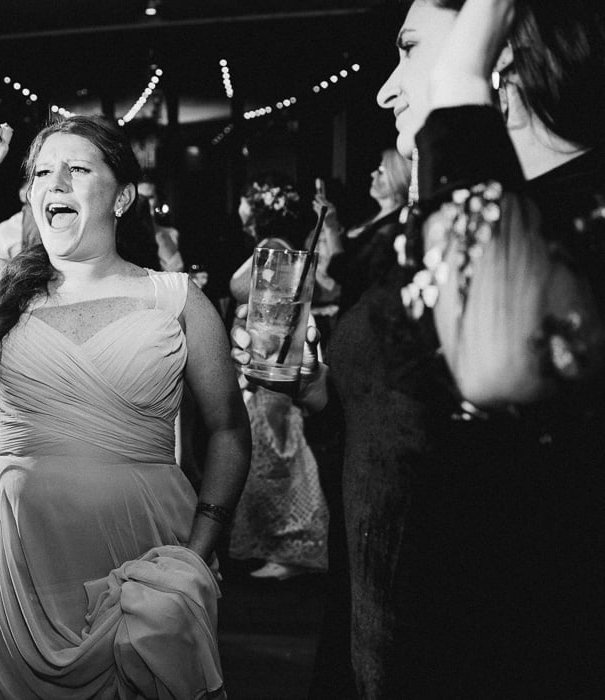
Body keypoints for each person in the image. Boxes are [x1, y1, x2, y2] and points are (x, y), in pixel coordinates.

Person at [239, 0, 605, 695]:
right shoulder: (440, 220)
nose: (385, 90)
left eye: (409, 49)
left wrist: (461, 79)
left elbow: (495, 368)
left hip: (491, 651)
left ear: (498, 49)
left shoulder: (580, 214)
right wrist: (322, 391)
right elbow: (406, 427)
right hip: (381, 633)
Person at [0, 116, 250, 698]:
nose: (54, 182)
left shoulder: (176, 299)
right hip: (23, 568)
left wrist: (198, 551)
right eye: (41, 172)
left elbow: (229, 431)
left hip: (148, 556)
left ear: (122, 198)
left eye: (77, 169)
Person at [227, 190, 329, 581]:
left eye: (245, 203)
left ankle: (290, 547)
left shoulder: (274, 249)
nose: (240, 209)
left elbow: (280, 308)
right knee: (270, 453)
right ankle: (279, 545)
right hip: (263, 357)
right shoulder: (274, 246)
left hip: (272, 362)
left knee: (278, 453)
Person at [316, 149, 412, 320]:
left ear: (398, 177)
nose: (373, 174)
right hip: (348, 311)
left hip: (364, 317)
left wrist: (330, 227)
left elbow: (347, 272)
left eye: (381, 170)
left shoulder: (393, 225)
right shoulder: (373, 217)